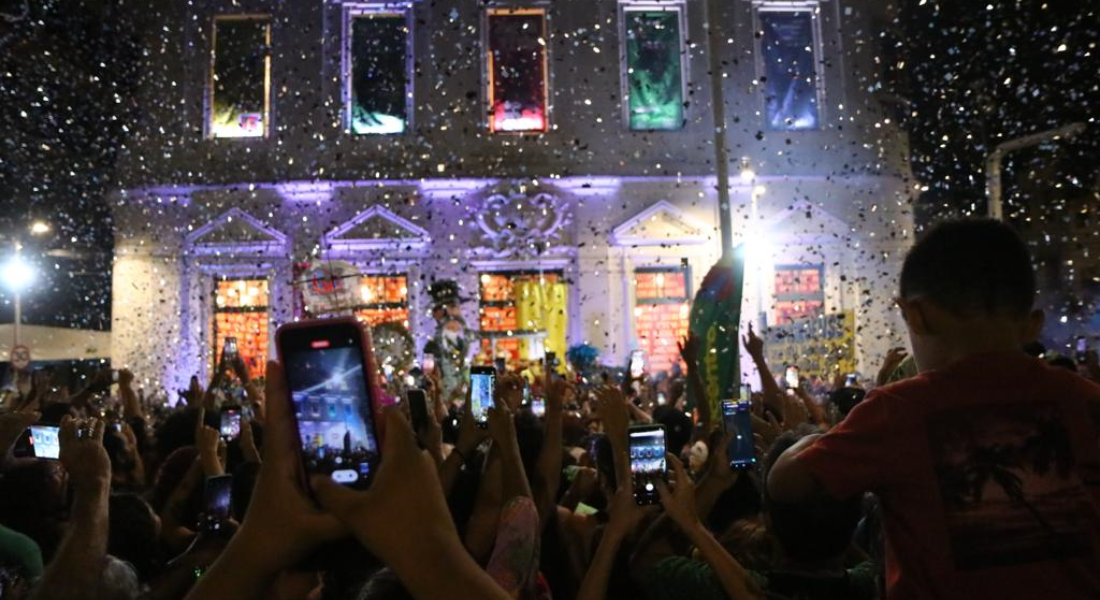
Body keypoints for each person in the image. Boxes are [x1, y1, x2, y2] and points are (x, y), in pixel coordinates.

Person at [769, 219, 1100, 599]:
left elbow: (786, 482)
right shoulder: (1087, 402)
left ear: (916, 316)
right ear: (1033, 324)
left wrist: (823, 433)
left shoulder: (897, 412)